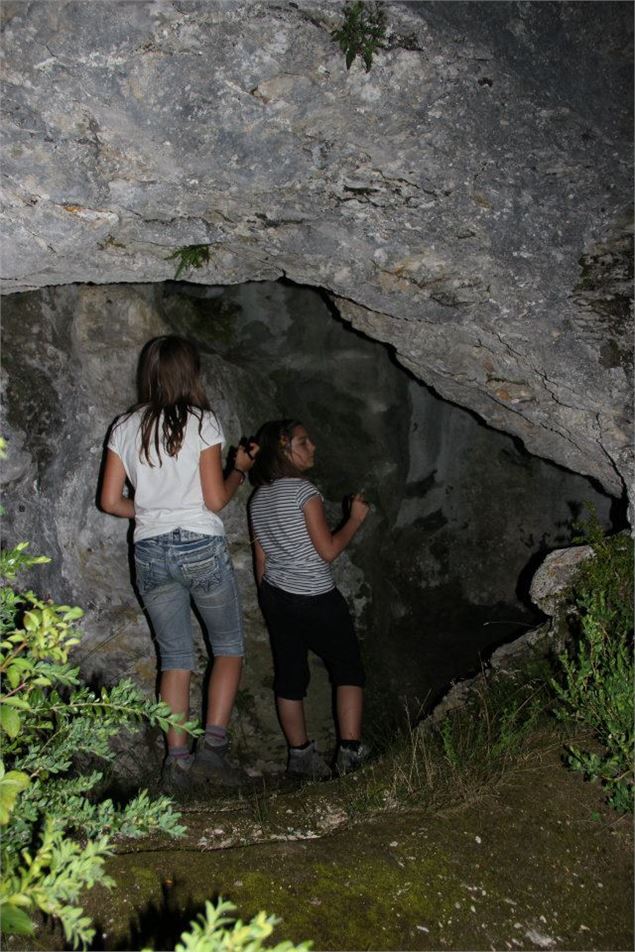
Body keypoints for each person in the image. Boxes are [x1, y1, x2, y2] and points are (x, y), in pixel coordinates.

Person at [100, 335, 257, 790]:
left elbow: (111, 502)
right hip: (199, 545)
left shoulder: (124, 426)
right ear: (192, 373)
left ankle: (177, 764)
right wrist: (239, 469)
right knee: (227, 647)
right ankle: (214, 751)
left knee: (175, 658)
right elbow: (215, 499)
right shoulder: (203, 422)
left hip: (149, 550)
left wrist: (150, 511)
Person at [248, 419, 370, 779]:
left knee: (289, 676)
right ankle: (350, 752)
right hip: (316, 595)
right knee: (348, 667)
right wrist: (355, 518)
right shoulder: (304, 492)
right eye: (303, 442)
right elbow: (328, 550)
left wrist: (268, 600)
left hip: (276, 596)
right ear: (283, 448)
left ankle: (300, 758)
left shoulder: (257, 499)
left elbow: (261, 559)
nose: (312, 446)